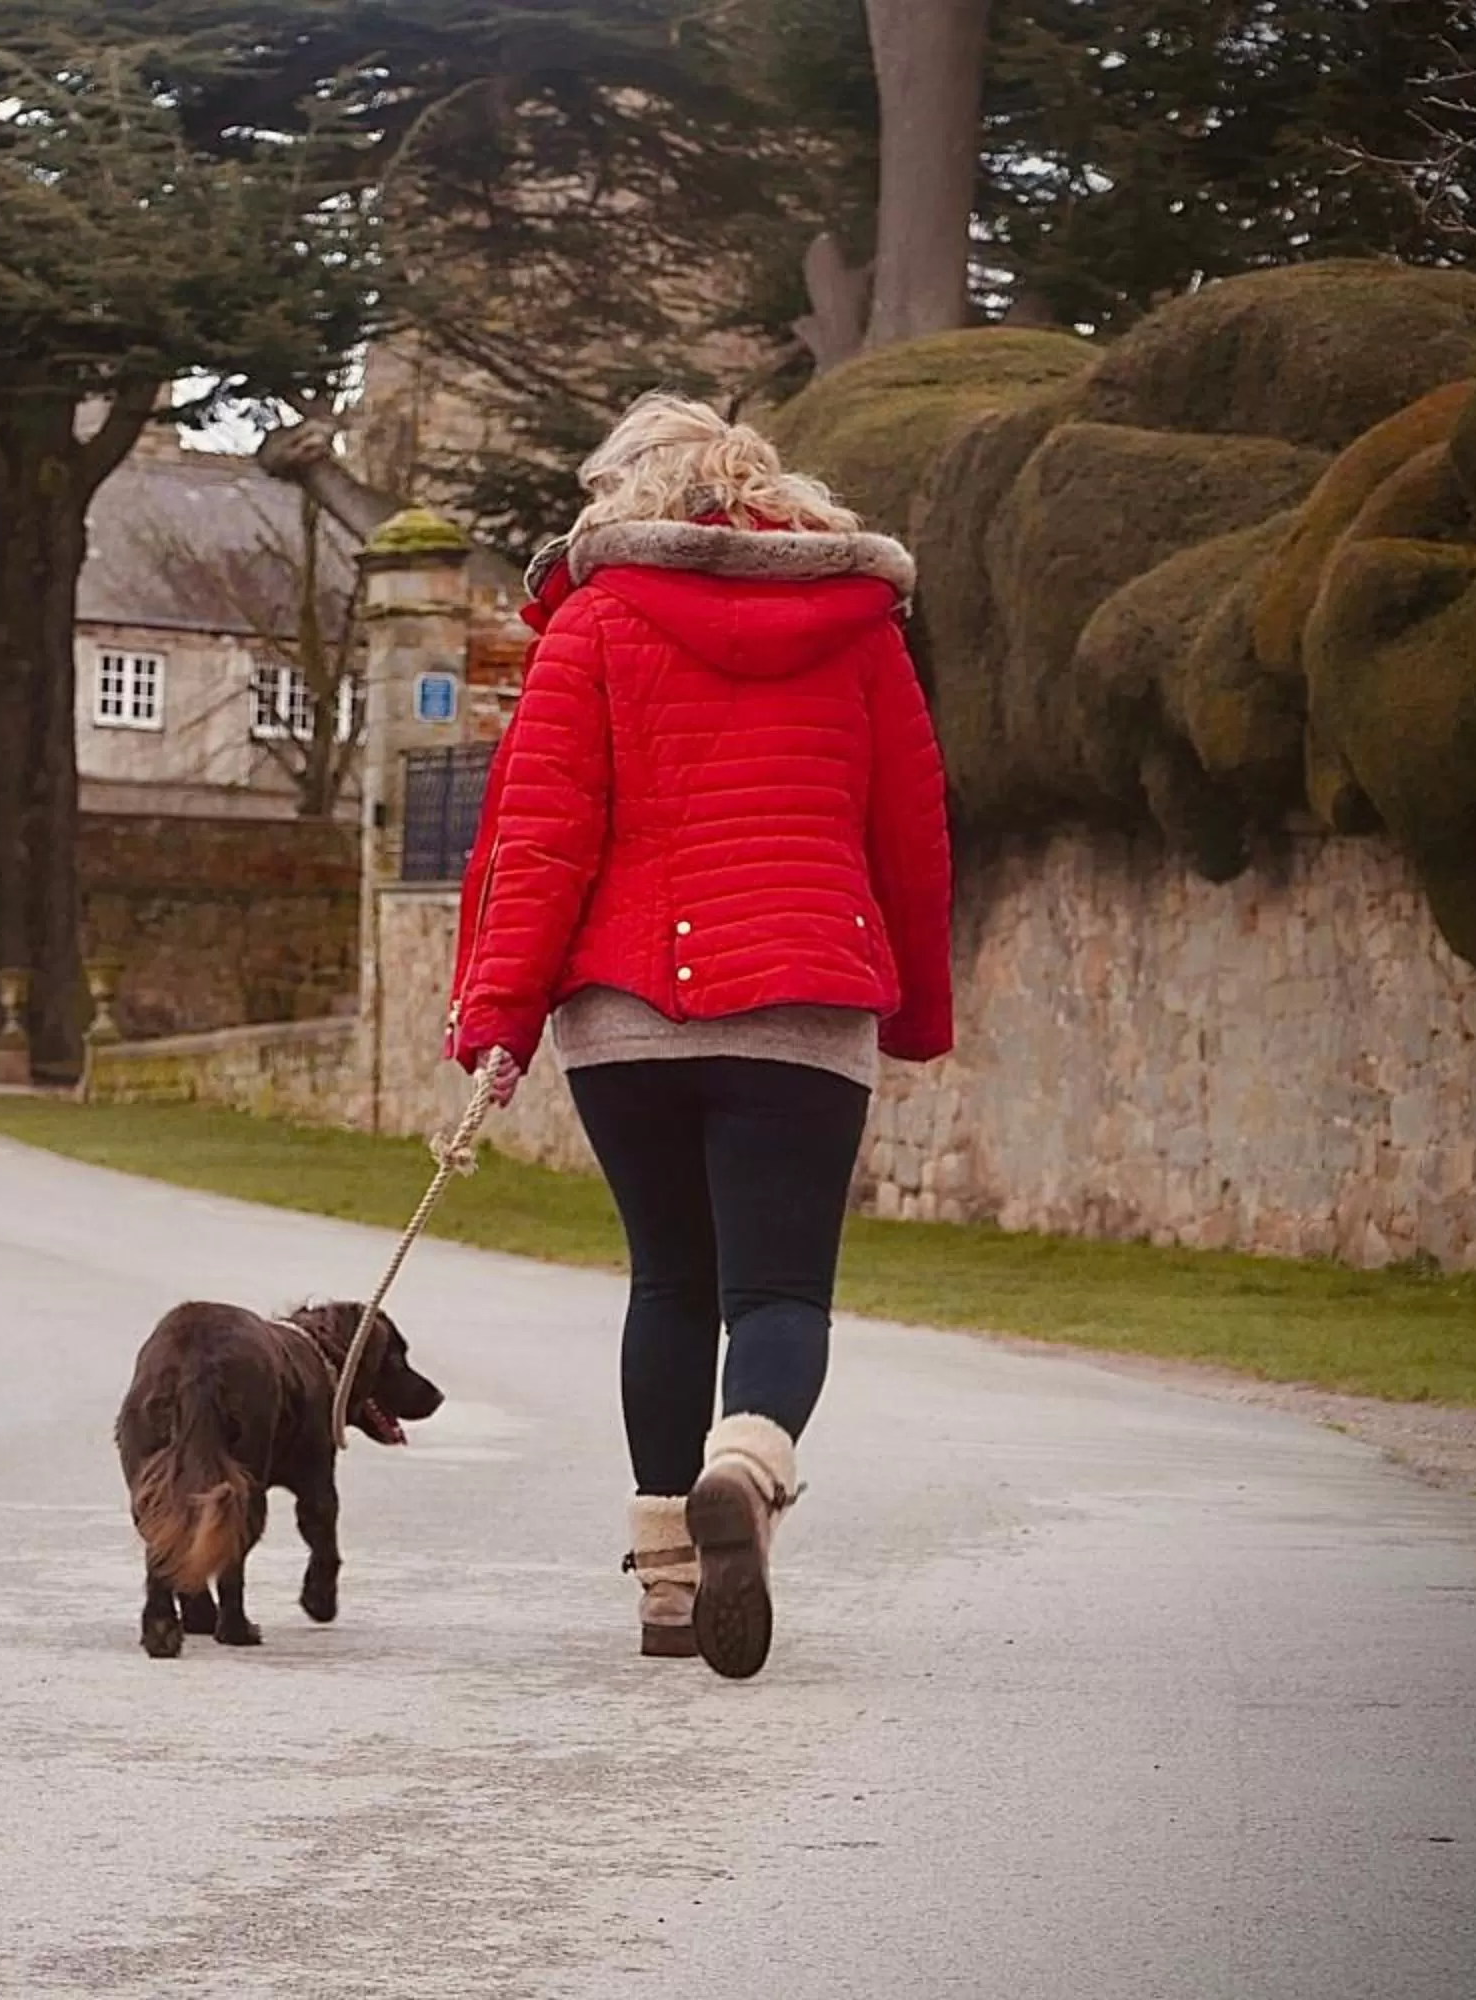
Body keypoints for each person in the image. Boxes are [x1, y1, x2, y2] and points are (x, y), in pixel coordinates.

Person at [447, 392, 954, 1681]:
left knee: (669, 1283)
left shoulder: (596, 622)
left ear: (625, 493)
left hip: (628, 1013)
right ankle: (751, 1463)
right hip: (807, 996)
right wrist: (923, 1007)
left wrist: (498, 1015)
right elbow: (911, 831)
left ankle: (669, 1582)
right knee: (777, 1293)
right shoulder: (862, 627)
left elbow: (537, 836)